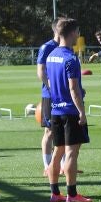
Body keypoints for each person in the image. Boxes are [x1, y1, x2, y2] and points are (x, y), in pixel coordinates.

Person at [45, 18, 91, 202]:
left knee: (58, 152)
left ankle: (55, 193)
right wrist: (81, 111)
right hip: (70, 111)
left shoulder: (51, 55)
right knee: (71, 153)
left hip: (55, 110)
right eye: (78, 32)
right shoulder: (70, 58)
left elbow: (51, 83)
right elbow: (73, 88)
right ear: (73, 33)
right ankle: (72, 194)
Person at [37, 20, 60, 174]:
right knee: (50, 131)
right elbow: (41, 72)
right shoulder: (47, 47)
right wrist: (53, 88)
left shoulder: (66, 47)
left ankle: (62, 165)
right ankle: (47, 166)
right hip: (50, 95)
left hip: (64, 95)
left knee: (62, 130)